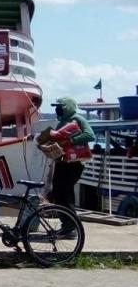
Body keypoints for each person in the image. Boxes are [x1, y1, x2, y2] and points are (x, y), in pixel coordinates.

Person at [44, 97, 94, 237]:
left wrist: (72, 140)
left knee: (66, 194)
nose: (57, 109)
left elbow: (90, 135)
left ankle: (71, 227)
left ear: (68, 107)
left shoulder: (77, 119)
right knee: (58, 193)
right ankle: (66, 225)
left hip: (74, 163)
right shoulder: (62, 122)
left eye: (60, 106)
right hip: (62, 162)